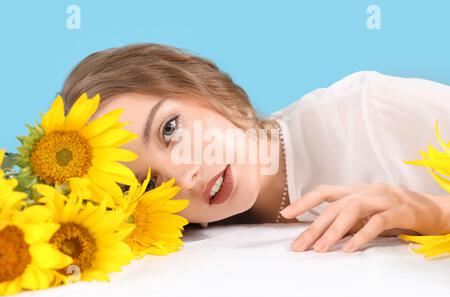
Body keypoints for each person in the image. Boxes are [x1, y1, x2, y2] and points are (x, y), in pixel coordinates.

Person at [60, 43, 450, 253]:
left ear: (209, 90)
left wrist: (430, 211)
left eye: (170, 128)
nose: (185, 175)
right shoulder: (204, 246)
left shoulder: (368, 110)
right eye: (149, 183)